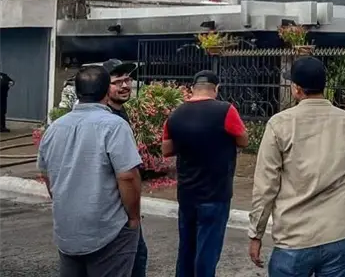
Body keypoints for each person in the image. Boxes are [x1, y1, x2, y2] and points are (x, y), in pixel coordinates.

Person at [248, 56, 345, 277]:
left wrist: (256, 234)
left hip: (294, 237)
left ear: (296, 89)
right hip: (338, 234)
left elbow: (265, 185)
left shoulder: (279, 124)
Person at [37, 64, 143, 277]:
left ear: (77, 92)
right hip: (109, 231)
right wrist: (133, 218)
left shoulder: (54, 128)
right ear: (106, 92)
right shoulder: (114, 126)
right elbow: (128, 176)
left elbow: (46, 175)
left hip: (67, 231)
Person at [161, 70, 249, 277]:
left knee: (186, 248)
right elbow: (243, 140)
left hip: (187, 193)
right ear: (216, 89)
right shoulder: (226, 111)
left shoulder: (176, 113)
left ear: (192, 89)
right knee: (207, 252)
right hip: (215, 194)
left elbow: (166, 150)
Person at [97, 58, 150, 277]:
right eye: (117, 82)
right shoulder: (106, 118)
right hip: (113, 210)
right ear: (103, 87)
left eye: (127, 80)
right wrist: (133, 216)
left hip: (118, 207)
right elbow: (126, 175)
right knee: (132, 261)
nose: (125, 86)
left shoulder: (119, 113)